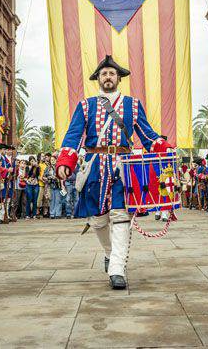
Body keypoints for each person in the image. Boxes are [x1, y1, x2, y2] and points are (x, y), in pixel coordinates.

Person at [55, 55, 171, 290]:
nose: (108, 77)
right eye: (104, 74)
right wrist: (66, 159)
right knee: (98, 219)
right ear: (98, 78)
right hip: (94, 165)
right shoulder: (85, 105)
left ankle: (117, 268)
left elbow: (148, 135)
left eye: (112, 73)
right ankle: (109, 252)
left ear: (119, 78)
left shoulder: (133, 105)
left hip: (124, 166)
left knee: (120, 215)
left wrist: (164, 148)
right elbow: (74, 134)